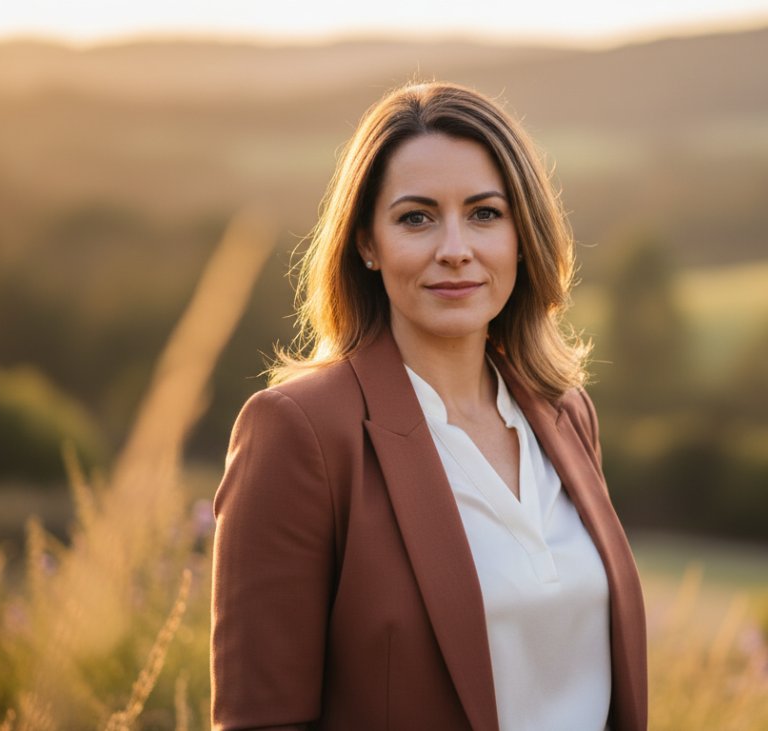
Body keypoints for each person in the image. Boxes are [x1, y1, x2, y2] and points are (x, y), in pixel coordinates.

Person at [210, 81, 648, 731]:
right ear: (367, 242)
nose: (454, 249)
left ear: (522, 234)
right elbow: (261, 719)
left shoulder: (564, 414)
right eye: (416, 217)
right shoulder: (300, 432)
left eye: (484, 213)